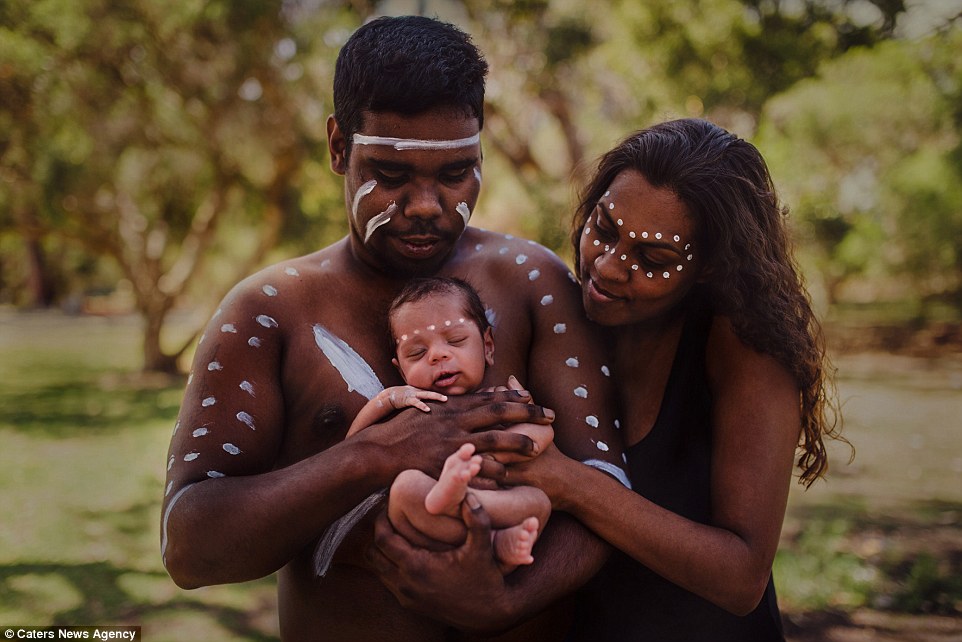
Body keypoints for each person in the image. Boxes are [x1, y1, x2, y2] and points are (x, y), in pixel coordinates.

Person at [160, 14, 629, 642]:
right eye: (390, 174)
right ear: (338, 148)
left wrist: (504, 603)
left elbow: (610, 494)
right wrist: (376, 454)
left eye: (456, 173)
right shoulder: (269, 311)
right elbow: (189, 546)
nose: (426, 205)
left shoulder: (532, 283)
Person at [370, 118, 847, 641]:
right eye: (604, 229)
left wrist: (569, 483)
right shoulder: (564, 318)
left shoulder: (745, 351)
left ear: (711, 265)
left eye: (652, 258)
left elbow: (741, 578)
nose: (609, 267)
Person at [346, 276, 553, 573]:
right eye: (417, 353)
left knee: (539, 502)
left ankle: (489, 532)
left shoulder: (498, 400)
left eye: (455, 341)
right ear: (401, 371)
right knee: (405, 488)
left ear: (488, 346)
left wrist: (496, 451)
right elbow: (353, 444)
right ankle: (485, 534)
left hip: (490, 508)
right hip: (430, 523)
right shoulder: (414, 409)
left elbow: (543, 430)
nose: (438, 355)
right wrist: (388, 399)